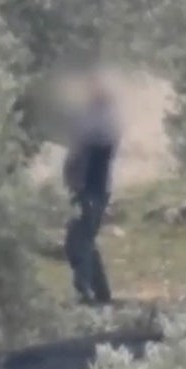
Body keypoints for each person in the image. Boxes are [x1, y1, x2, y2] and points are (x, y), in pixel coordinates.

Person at [61, 76, 119, 305]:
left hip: (89, 191)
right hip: (92, 190)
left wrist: (75, 183)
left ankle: (85, 292)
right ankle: (101, 292)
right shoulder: (102, 125)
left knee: (78, 241)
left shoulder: (98, 127)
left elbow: (81, 156)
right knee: (85, 240)